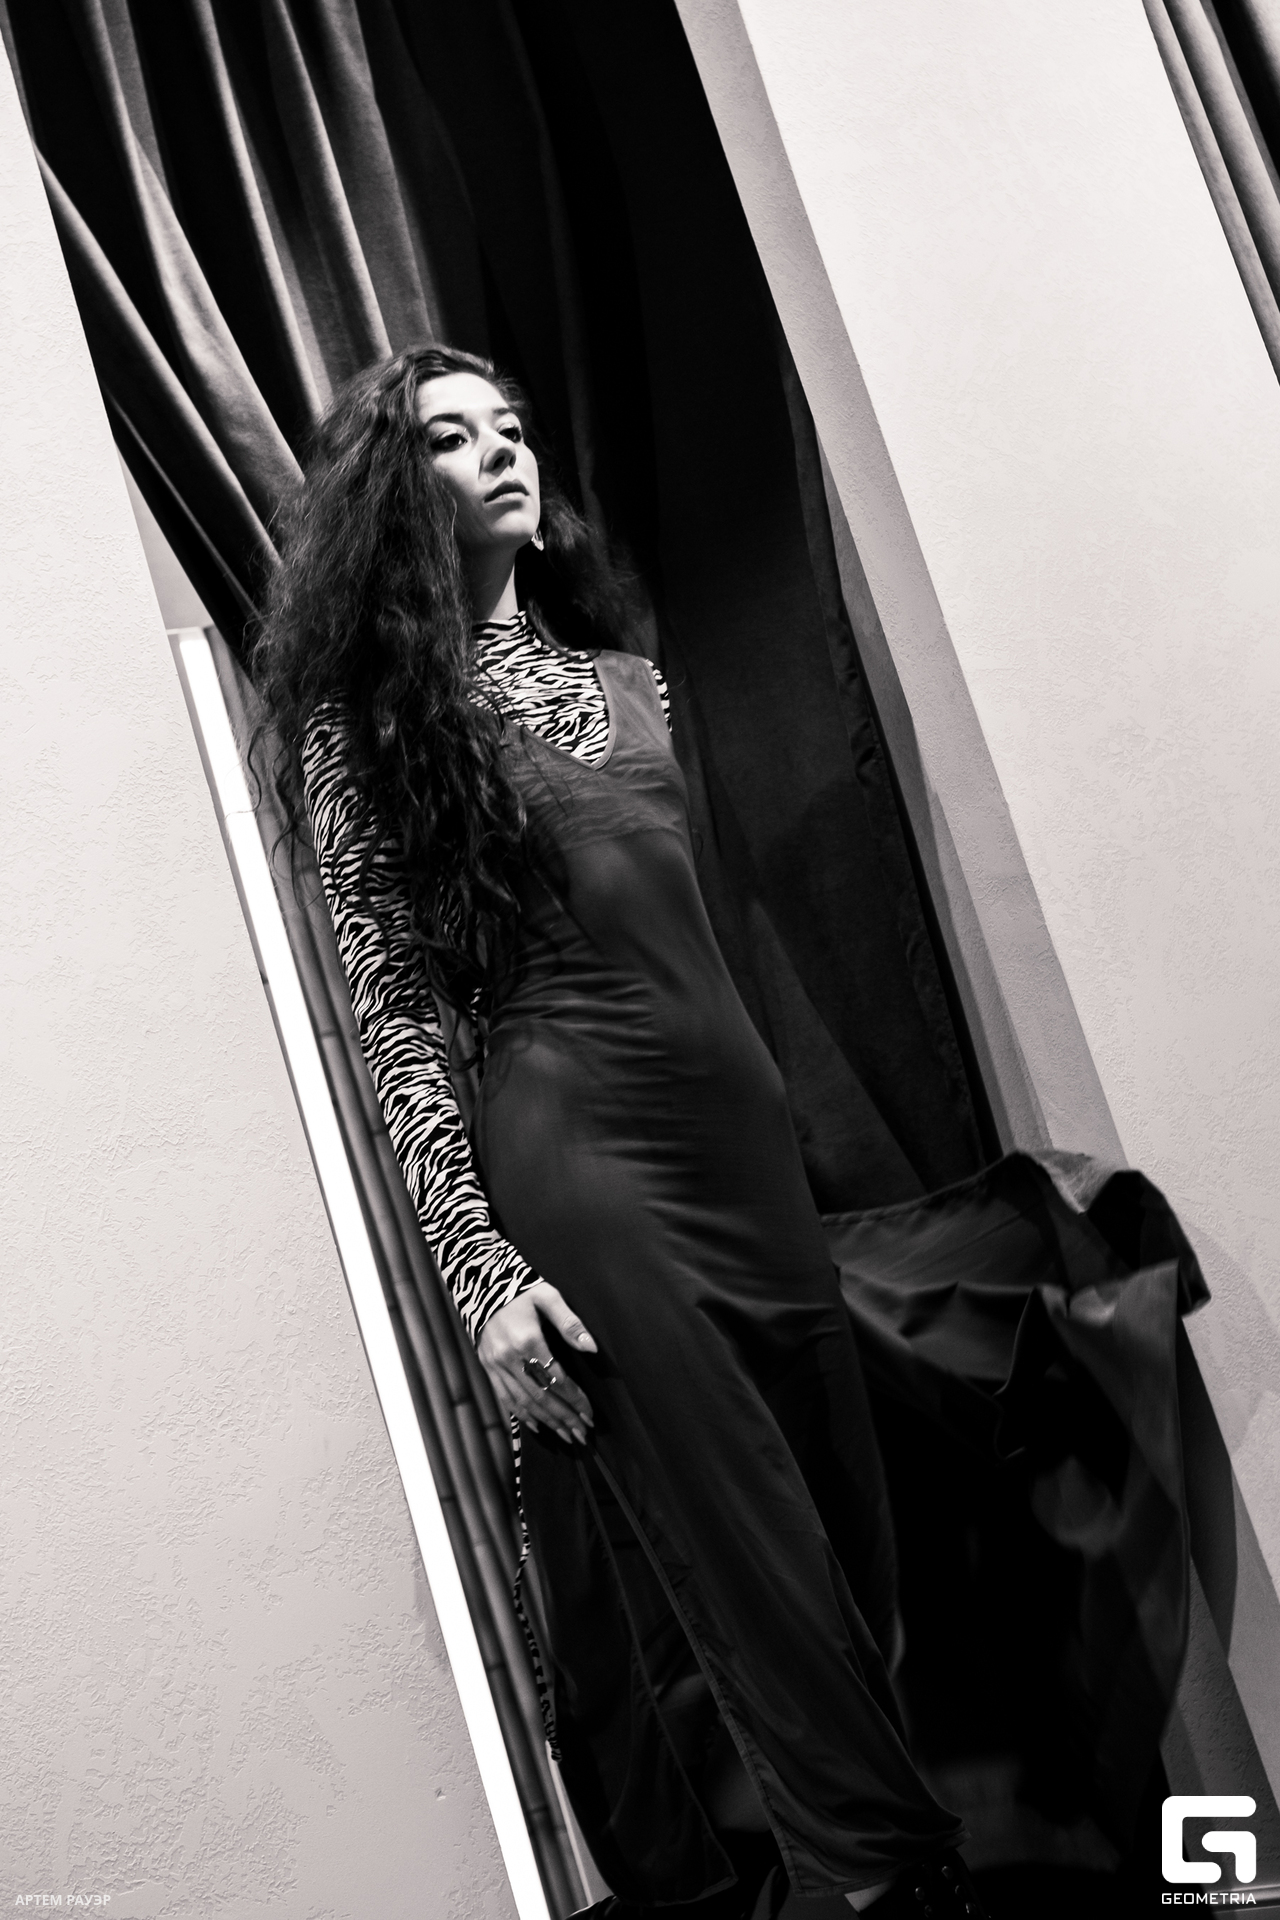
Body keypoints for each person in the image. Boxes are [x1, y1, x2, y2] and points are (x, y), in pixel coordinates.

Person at [253, 344, 988, 1920]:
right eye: (451, 439)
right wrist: (479, 1277)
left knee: (846, 1562)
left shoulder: (630, 685)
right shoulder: (366, 727)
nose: (502, 451)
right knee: (757, 1574)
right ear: (389, 494)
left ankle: (873, 1869)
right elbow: (394, 1017)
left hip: (749, 1166)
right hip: (590, 1174)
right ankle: (897, 1890)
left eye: (513, 426)